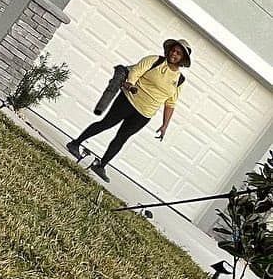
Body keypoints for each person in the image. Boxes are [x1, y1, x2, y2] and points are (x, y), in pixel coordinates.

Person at [65, 38, 192, 182]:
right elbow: (136, 71)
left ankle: (101, 166)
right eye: (173, 50)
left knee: (122, 138)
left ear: (182, 59)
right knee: (106, 124)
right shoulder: (155, 60)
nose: (173, 54)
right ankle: (75, 144)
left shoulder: (180, 80)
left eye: (178, 53)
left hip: (145, 114)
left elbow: (171, 103)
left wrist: (165, 125)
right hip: (128, 100)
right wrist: (130, 83)